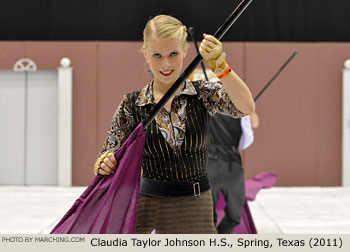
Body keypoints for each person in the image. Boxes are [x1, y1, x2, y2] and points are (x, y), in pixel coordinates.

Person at [93, 15, 255, 234]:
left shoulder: (203, 93)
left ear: (185, 51)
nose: (166, 64)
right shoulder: (131, 104)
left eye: (173, 54)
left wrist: (220, 65)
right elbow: (109, 152)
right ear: (145, 53)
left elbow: (246, 107)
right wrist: (105, 162)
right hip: (145, 208)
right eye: (157, 55)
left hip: (196, 206)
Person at [207, 112, 259, 234]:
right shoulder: (239, 106)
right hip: (212, 161)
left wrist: (250, 114)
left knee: (232, 214)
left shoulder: (240, 108)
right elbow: (246, 142)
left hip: (228, 162)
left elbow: (251, 131)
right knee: (211, 215)